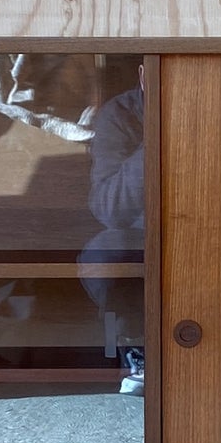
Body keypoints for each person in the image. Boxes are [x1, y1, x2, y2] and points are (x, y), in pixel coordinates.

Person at [80, 63, 145, 394]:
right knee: (106, 252)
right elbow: (109, 209)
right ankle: (138, 349)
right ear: (144, 75)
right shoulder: (121, 114)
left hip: (210, 222)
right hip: (140, 232)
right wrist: (153, 149)